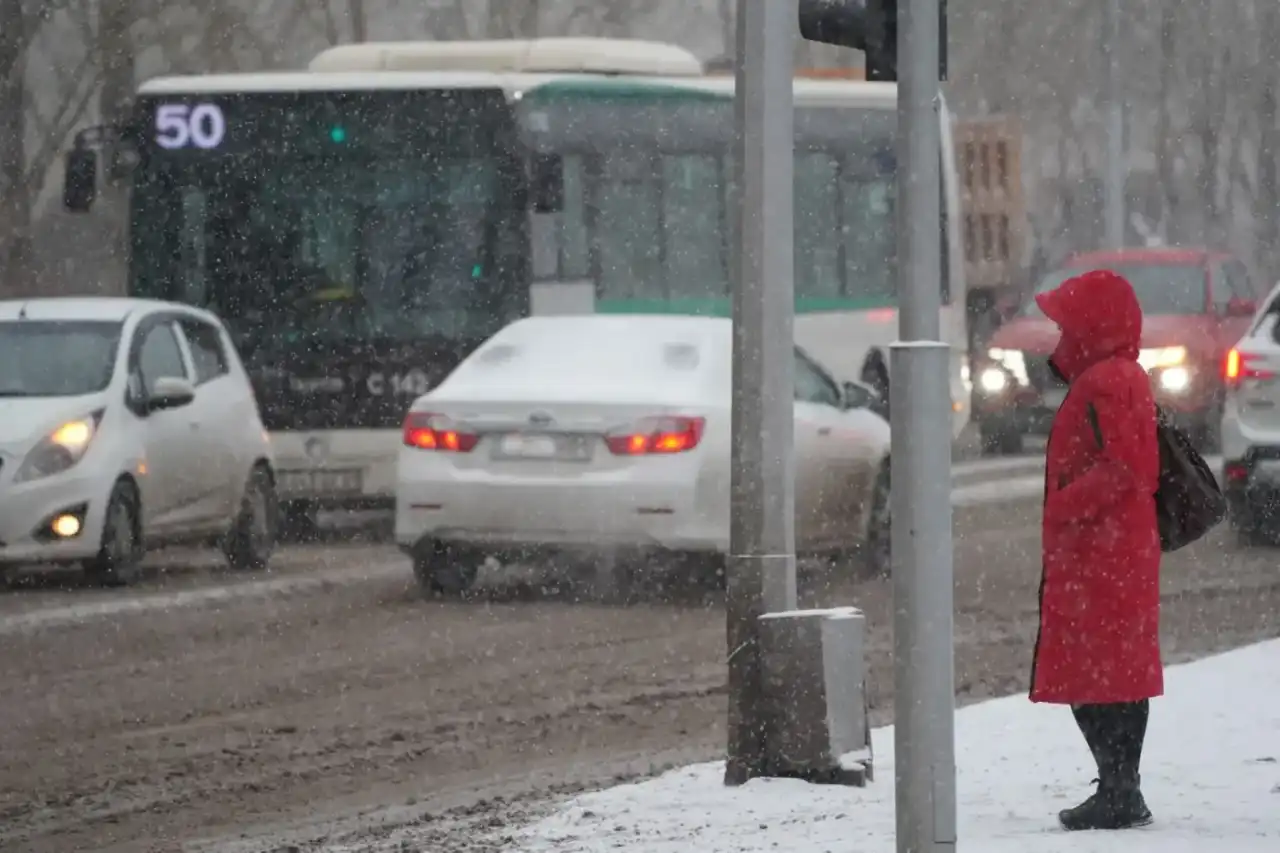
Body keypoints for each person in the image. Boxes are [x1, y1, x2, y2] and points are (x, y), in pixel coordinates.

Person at [1028, 269, 1162, 831]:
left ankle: (1119, 789)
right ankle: (1120, 786)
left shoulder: (1106, 380)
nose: (1059, 336)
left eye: (1068, 324)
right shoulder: (1116, 375)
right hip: (1113, 549)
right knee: (1112, 672)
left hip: (1100, 551)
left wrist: (1063, 506)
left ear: (1093, 326)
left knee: (1097, 677)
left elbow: (1125, 468)